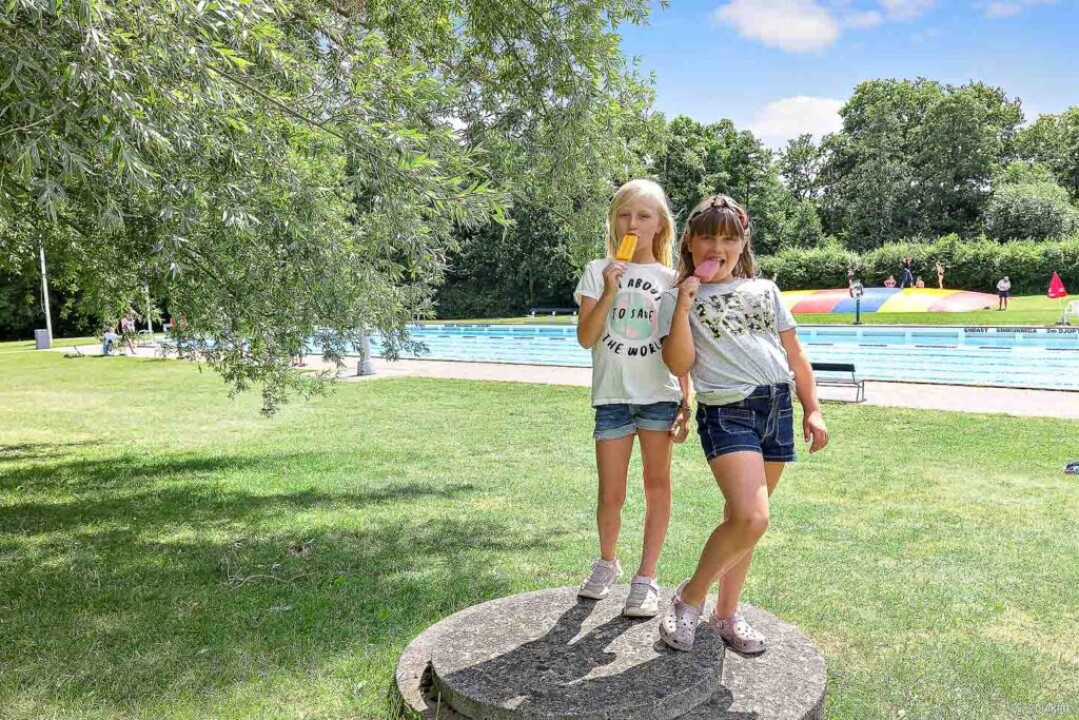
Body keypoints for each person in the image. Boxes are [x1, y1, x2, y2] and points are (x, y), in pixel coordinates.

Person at [655, 194, 829, 653]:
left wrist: (812, 407)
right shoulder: (676, 298)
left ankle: (727, 614)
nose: (718, 248)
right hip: (727, 410)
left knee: (743, 522)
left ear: (742, 243)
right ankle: (689, 598)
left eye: (728, 239)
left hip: (777, 407)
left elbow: (795, 353)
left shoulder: (765, 290)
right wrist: (683, 304)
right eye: (707, 237)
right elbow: (679, 363)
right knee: (754, 517)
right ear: (689, 242)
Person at [573, 178, 691, 618]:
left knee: (657, 486)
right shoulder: (597, 269)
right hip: (612, 397)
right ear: (613, 221)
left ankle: (646, 577)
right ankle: (607, 562)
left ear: (660, 225)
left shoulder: (672, 279)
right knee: (611, 492)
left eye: (643, 215)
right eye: (624, 214)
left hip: (659, 396)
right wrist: (609, 290)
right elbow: (587, 337)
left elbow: (680, 346)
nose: (632, 223)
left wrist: (686, 399)